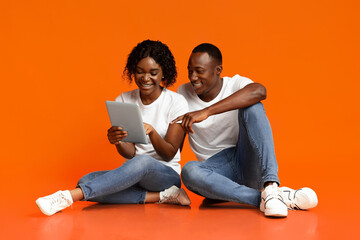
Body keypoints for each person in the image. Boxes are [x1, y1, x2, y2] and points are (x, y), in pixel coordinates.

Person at [36, 40, 191, 216]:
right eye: (140, 72)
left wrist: (153, 133)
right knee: (86, 180)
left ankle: (68, 197)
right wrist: (118, 141)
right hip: (133, 173)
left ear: (164, 74)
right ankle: (161, 196)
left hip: (165, 175)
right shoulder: (124, 100)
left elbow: (169, 153)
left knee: (141, 163)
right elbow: (130, 153)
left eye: (153, 73)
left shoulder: (176, 102)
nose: (145, 78)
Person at [173, 43, 318, 217]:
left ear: (218, 70)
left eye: (199, 70)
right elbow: (177, 140)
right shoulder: (183, 92)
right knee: (189, 171)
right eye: (189, 70)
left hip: (246, 160)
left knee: (253, 106)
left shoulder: (234, 84)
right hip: (215, 174)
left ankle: (271, 184)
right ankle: (271, 198)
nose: (193, 77)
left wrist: (207, 111)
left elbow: (259, 91)